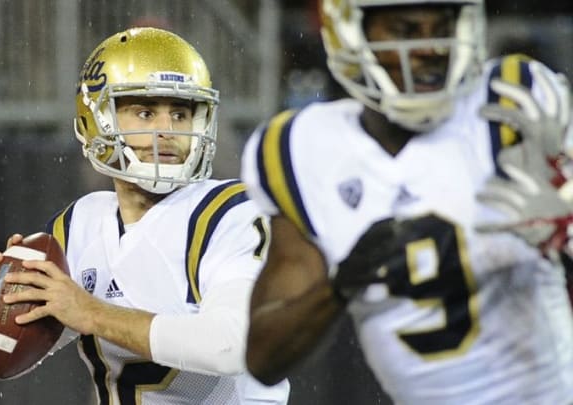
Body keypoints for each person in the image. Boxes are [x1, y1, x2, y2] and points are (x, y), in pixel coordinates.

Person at [241, 0, 573, 404]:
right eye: (405, 28)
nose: (429, 47)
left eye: (441, 26)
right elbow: (263, 359)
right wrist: (341, 285)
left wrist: (566, 232)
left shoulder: (510, 103)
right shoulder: (304, 148)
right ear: (350, 33)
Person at [0, 27, 290, 404]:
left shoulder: (228, 212)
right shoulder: (80, 225)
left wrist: (92, 313)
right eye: (145, 112)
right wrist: (2, 302)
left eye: (180, 113)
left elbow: (233, 346)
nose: (167, 131)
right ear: (98, 121)